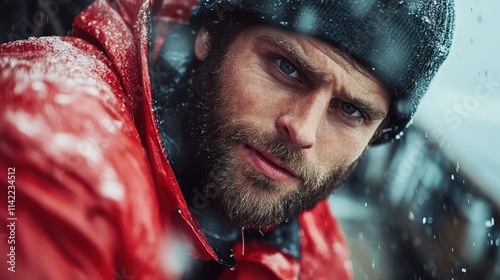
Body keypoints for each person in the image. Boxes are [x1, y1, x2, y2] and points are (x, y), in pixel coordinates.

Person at [0, 0, 454, 279]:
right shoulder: (57, 139)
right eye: (286, 68)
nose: (303, 130)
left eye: (351, 111)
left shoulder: (310, 250)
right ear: (210, 35)